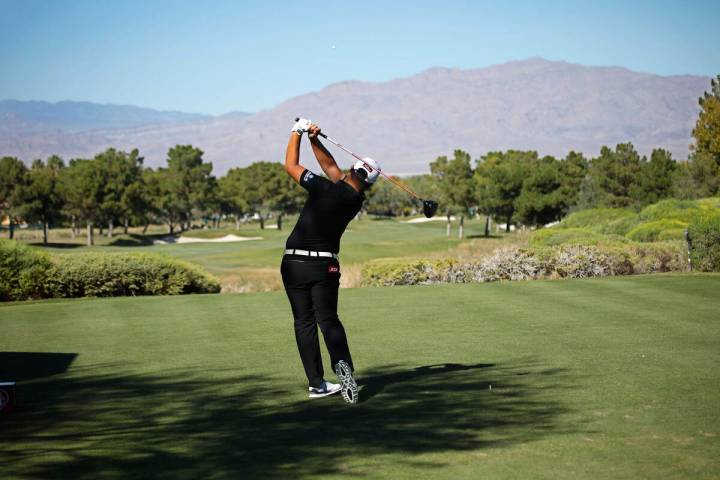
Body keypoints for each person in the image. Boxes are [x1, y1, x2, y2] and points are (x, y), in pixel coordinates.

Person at [281, 118, 380, 404]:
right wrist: (315, 139)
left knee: (304, 322)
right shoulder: (354, 200)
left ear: (353, 168)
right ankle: (345, 374)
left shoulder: (324, 188)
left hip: (292, 263)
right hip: (325, 266)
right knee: (328, 320)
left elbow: (291, 165)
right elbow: (330, 169)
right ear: (368, 184)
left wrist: (297, 132)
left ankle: (316, 383)